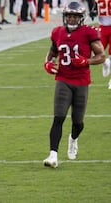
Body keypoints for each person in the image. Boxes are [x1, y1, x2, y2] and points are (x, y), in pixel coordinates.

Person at [43, 1, 105, 168]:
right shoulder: (57, 32)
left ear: (81, 18)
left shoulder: (88, 33)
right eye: (69, 16)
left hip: (82, 81)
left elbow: (101, 56)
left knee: (78, 122)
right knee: (59, 117)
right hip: (63, 80)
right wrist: (48, 63)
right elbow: (51, 53)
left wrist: (87, 60)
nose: (71, 19)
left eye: (75, 16)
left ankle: (73, 138)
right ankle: (53, 155)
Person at [97, 0, 111, 88]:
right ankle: (106, 62)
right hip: (104, 27)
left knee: (97, 51)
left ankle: (106, 62)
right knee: (98, 52)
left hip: (102, 27)